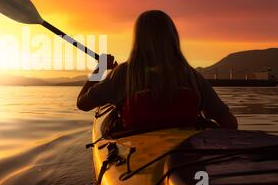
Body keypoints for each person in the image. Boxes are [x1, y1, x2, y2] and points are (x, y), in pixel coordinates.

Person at [77, 10, 238, 130]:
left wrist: (100, 69)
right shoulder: (191, 76)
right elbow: (230, 124)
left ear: (138, 39)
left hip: (135, 161)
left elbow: (82, 103)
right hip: (185, 158)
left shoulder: (124, 74)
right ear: (173, 38)